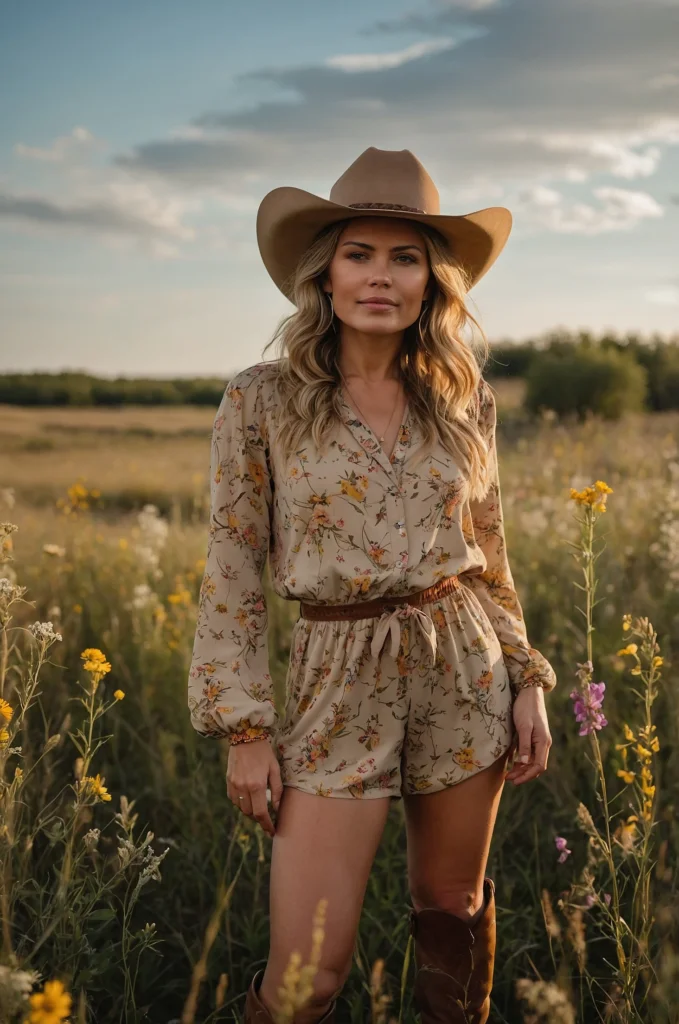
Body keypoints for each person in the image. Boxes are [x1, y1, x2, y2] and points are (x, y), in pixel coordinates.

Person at [187, 147, 557, 1024]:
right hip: (334, 675)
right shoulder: (262, 399)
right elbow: (232, 561)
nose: (380, 277)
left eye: (405, 257)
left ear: (434, 280)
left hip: (463, 665)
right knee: (307, 974)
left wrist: (527, 678)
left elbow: (488, 554)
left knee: (452, 912)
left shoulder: (463, 397)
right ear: (325, 272)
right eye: (360, 254)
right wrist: (245, 726)